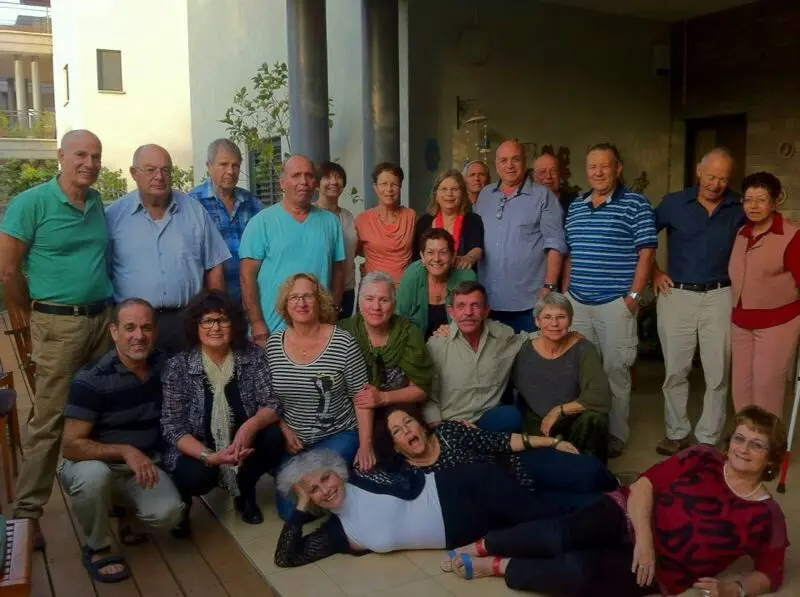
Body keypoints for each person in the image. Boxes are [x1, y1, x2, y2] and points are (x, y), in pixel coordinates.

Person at [441, 406, 788, 597]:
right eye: (739, 439)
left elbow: (769, 575)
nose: (743, 449)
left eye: (756, 444)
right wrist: (645, 542)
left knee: (578, 572)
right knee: (560, 534)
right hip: (627, 513)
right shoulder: (702, 457)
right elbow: (645, 485)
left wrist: (733, 589)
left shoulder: (766, 515)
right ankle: (484, 545)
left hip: (662, 570)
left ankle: (501, 566)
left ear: (771, 459)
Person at [0, 129, 113, 548]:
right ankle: (27, 516)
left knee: (102, 411)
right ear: (61, 157)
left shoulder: (97, 203)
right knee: (49, 419)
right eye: (81, 154)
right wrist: (35, 316)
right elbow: (7, 271)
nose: (89, 163)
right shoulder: (31, 203)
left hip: (103, 320)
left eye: (95, 156)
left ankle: (108, 498)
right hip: (58, 323)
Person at [273, 450, 580, 567]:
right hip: (465, 530)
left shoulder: (365, 478)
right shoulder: (339, 533)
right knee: (536, 526)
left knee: (544, 514)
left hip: (463, 487)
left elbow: (410, 478)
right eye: (313, 490)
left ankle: (595, 513)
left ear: (337, 473)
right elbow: (286, 557)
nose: (325, 489)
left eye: (326, 478)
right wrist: (301, 506)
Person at [59, 299, 183, 583]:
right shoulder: (92, 379)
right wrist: (125, 450)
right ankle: (97, 546)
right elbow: (70, 445)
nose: (139, 335)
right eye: (130, 328)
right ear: (114, 332)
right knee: (94, 478)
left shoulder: (163, 365)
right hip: (91, 463)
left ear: (155, 332)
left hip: (141, 466)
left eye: (146, 328)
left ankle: (125, 511)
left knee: (168, 514)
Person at [161, 290, 285, 533]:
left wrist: (250, 427)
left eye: (223, 320)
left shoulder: (252, 357)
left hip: (243, 445)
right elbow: (172, 427)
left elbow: (272, 403)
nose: (215, 327)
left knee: (273, 436)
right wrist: (210, 457)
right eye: (207, 321)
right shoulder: (178, 367)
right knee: (196, 476)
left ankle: (245, 491)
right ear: (195, 326)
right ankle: (182, 504)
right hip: (199, 449)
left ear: (234, 324)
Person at [564, 143, 657, 458]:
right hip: (577, 303)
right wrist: (565, 295)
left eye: (605, 166)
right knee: (581, 372)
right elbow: (571, 255)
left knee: (616, 370)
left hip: (614, 304)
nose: (598, 172)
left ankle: (615, 434)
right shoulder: (576, 206)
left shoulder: (636, 204)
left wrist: (633, 298)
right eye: (593, 167)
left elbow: (646, 253)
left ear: (618, 168)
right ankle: (586, 430)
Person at [652, 148, 744, 455]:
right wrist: (654, 272)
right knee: (675, 370)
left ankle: (708, 438)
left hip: (720, 295)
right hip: (676, 294)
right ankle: (676, 433)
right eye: (711, 177)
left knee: (717, 372)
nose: (716, 185)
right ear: (698, 172)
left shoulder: (738, 206)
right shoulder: (673, 203)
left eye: (723, 179)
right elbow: (642, 238)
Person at [265, 274, 375, 520]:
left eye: (308, 296)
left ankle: (334, 481)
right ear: (285, 304)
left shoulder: (343, 342)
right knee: (289, 511)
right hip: (295, 441)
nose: (301, 303)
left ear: (320, 301)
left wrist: (366, 445)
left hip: (338, 434)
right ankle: (333, 481)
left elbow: (362, 398)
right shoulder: (273, 345)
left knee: (309, 495)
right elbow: (267, 399)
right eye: (294, 297)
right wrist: (283, 429)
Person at [106, 144, 231, 355]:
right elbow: (104, 271)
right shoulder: (114, 216)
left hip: (186, 319)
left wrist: (215, 315)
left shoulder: (194, 211)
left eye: (165, 170)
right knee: (139, 376)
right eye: (150, 170)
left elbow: (214, 265)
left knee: (190, 375)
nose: (159, 176)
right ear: (134, 173)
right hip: (135, 327)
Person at [384, 406, 618, 501]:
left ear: (420, 424)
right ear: (395, 446)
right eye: (397, 431)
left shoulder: (448, 432)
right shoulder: (413, 477)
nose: (406, 430)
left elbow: (499, 441)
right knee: (591, 505)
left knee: (588, 471)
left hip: (518, 465)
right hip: (510, 501)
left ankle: (620, 487)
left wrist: (551, 442)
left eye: (408, 421)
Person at [239, 155, 345, 344]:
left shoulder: (330, 222)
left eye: (309, 176)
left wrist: (334, 311)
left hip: (318, 330)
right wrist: (256, 322)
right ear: (282, 183)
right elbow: (246, 277)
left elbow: (339, 271)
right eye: (296, 175)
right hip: (272, 331)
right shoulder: (261, 223)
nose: (303, 181)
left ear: (315, 183)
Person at [474, 140, 566, 333]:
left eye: (515, 159)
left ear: (525, 163)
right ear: (496, 165)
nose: (509, 165)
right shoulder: (485, 195)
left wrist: (549, 287)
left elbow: (555, 244)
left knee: (529, 352)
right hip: (487, 301)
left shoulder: (543, 196)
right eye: (504, 160)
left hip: (529, 303)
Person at [729, 172, 800, 416]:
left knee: (766, 388)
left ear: (774, 202)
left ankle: (767, 439)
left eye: (761, 200)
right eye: (748, 200)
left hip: (777, 323)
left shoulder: (791, 236)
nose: (753, 206)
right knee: (741, 387)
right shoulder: (741, 233)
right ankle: (745, 436)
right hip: (741, 322)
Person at [512, 293, 611, 463]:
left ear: (570, 320)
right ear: (537, 321)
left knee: (595, 418)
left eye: (561, 317)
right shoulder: (523, 349)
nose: (554, 324)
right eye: (547, 317)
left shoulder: (584, 349)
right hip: (537, 423)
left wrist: (558, 410)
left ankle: (592, 472)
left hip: (574, 422)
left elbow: (600, 395)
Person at [425, 281, 527, 433]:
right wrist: (442, 429)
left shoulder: (502, 336)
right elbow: (428, 397)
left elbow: (527, 340)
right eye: (461, 306)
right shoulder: (437, 345)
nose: (468, 312)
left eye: (475, 305)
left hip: (488, 420)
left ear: (486, 311)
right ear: (451, 312)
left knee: (512, 416)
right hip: (452, 424)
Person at [338, 272, 434, 433]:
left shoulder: (408, 333)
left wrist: (383, 398)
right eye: (369, 299)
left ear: (394, 304)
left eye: (384, 300)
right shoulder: (343, 331)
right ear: (359, 302)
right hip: (351, 412)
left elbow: (421, 390)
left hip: (399, 409)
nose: (376, 307)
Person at [189, 138, 263, 304]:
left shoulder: (252, 203)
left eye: (235, 165)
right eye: (223, 164)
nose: (230, 171)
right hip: (210, 302)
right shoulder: (192, 204)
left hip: (250, 298)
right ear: (209, 166)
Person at [397, 229, 476, 338]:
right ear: (422, 256)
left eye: (443, 252)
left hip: (455, 341)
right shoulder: (412, 274)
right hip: (416, 343)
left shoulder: (466, 276)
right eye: (430, 252)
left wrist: (454, 330)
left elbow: (473, 319)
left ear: (453, 256)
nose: (436, 259)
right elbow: (399, 318)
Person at [355, 162, 416, 285]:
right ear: (375, 187)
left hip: (405, 288)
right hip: (374, 289)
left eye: (394, 184)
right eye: (384, 184)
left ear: (400, 187)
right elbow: (356, 251)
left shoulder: (410, 216)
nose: (389, 189)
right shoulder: (363, 219)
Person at [412, 169, 484, 271]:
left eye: (455, 189)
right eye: (444, 189)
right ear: (436, 194)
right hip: (429, 276)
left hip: (462, 276)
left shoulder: (473, 220)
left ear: (462, 194)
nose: (449, 193)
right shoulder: (424, 221)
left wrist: (469, 258)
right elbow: (416, 255)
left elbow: (477, 248)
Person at [316, 161, 358, 318]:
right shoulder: (311, 215)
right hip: (320, 291)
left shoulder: (348, 216)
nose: (333, 181)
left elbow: (354, 248)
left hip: (347, 289)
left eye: (338, 177)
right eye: (327, 177)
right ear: (317, 184)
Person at [532, 152, 577, 222]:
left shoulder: (575, 203)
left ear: (559, 175)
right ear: (534, 176)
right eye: (542, 171)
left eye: (554, 171)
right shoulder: (524, 203)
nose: (548, 176)